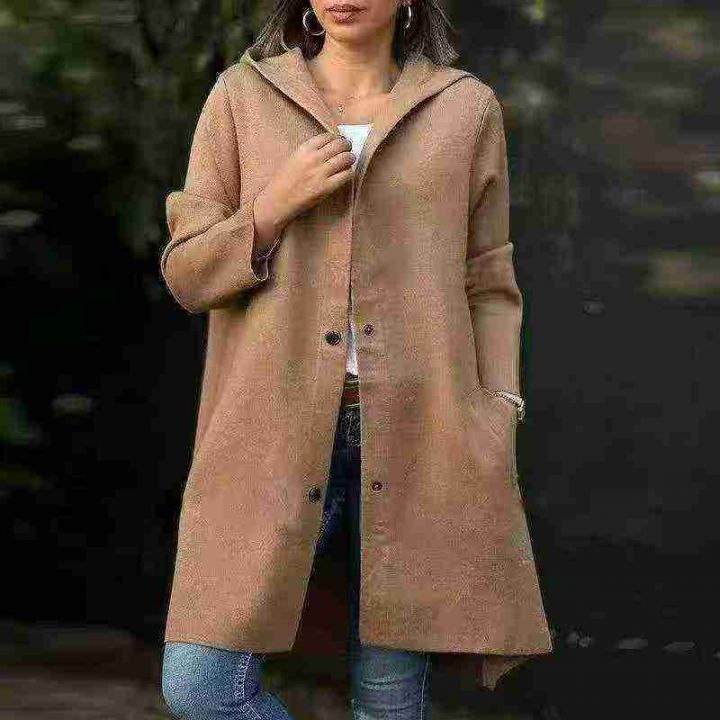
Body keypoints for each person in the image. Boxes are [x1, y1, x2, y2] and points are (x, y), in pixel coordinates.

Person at [160, 0, 552, 717]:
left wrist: (498, 408)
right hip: (267, 429)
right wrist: (271, 207)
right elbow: (187, 275)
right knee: (200, 688)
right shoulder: (243, 95)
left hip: (421, 432)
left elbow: (489, 279)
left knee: (388, 702)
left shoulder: (465, 108)